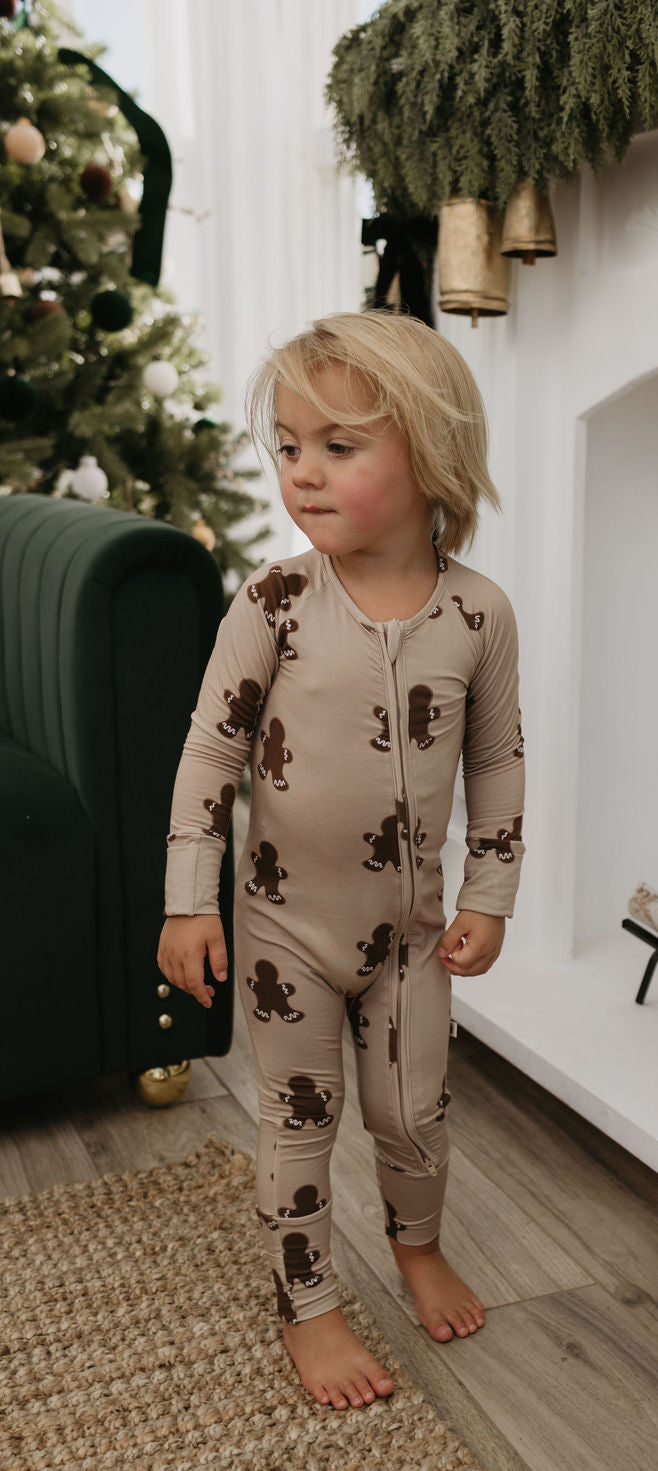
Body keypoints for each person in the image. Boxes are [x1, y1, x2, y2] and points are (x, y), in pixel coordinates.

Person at [157, 311, 525, 1412]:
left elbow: (499, 763)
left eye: (338, 446)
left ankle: (416, 1245)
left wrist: (490, 896)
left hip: (410, 934)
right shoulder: (274, 602)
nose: (301, 472)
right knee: (299, 1118)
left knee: (413, 1112)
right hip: (285, 932)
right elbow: (210, 748)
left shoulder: (477, 616)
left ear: (432, 453)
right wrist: (189, 898)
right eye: (288, 445)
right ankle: (309, 1301)